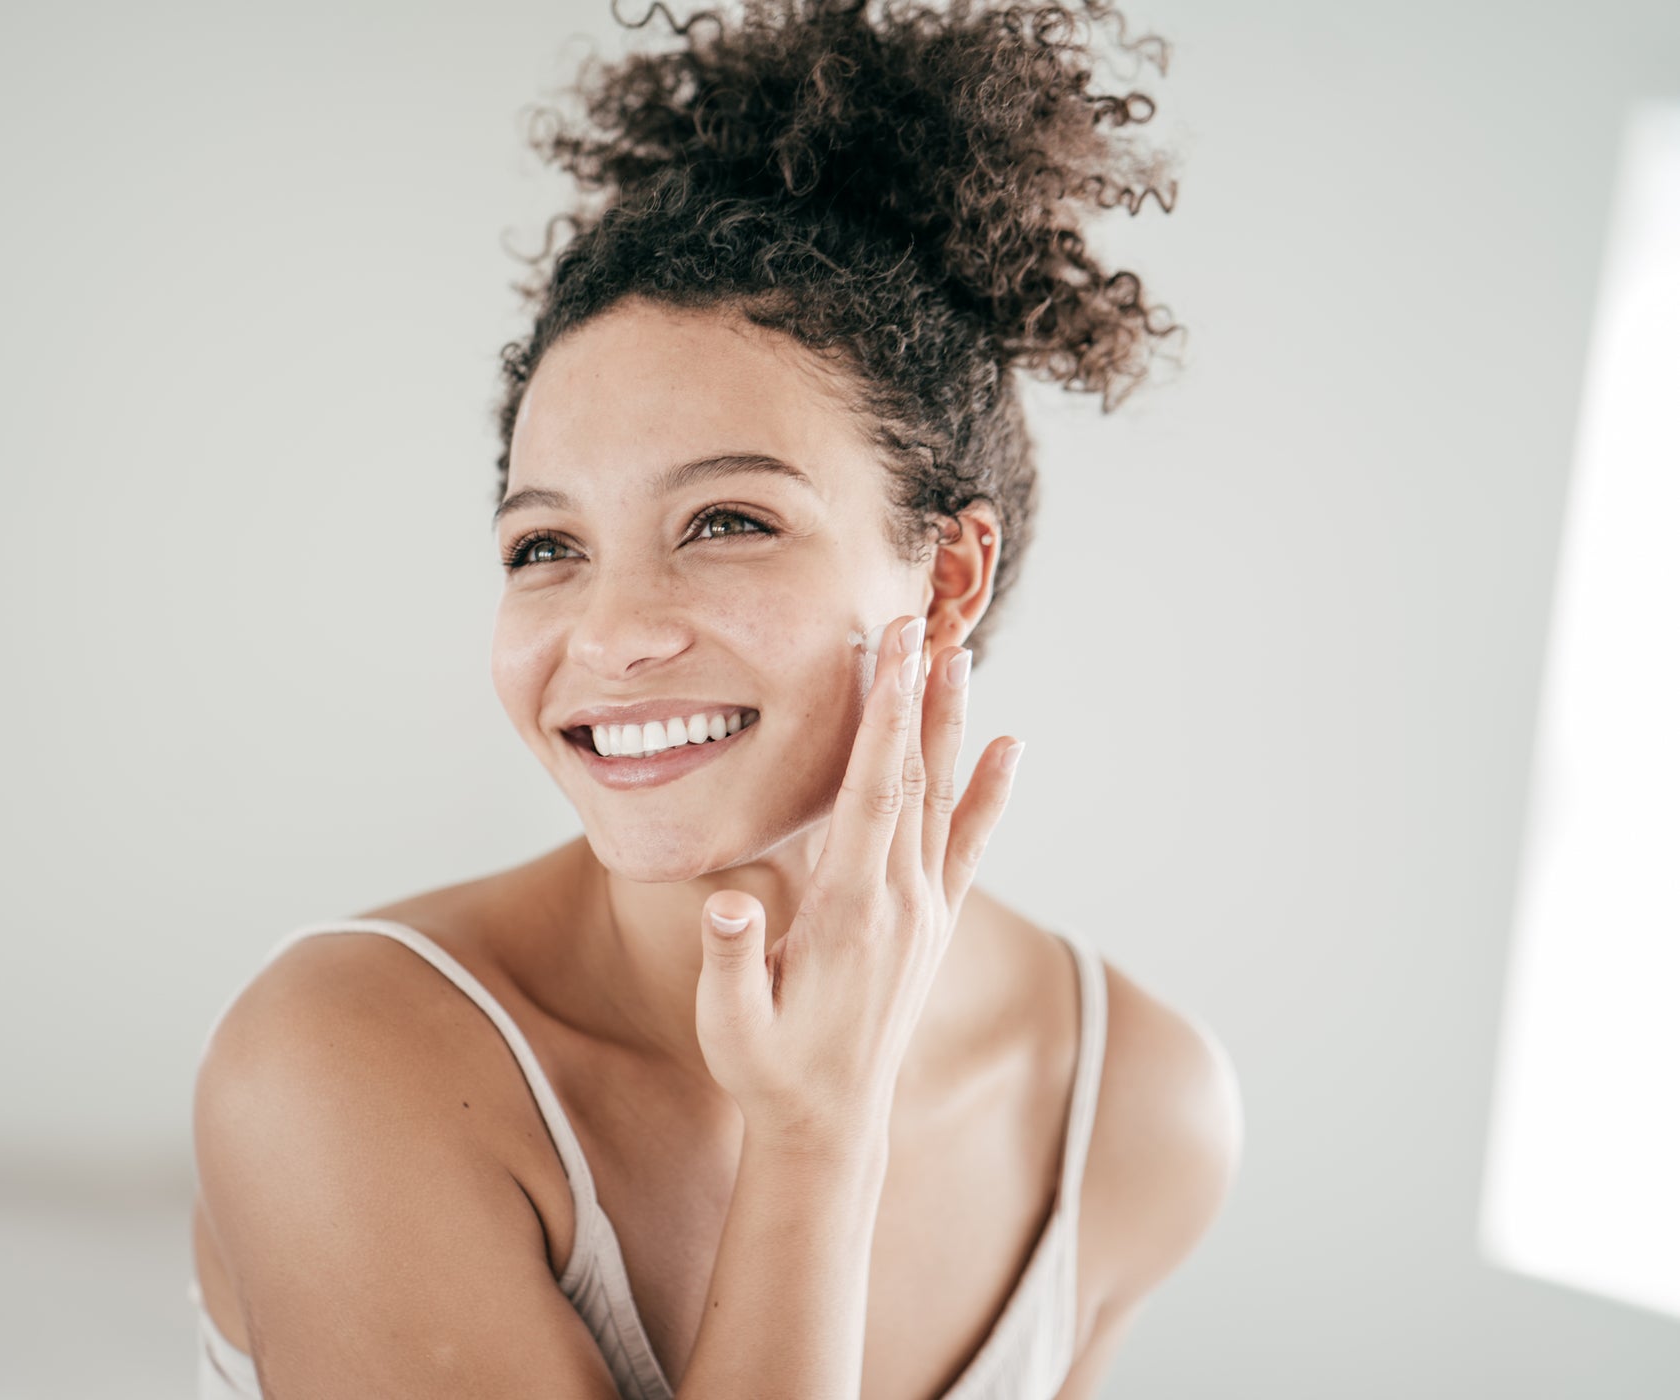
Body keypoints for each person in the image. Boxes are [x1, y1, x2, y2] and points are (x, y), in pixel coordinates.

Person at [189, 1, 1242, 1395]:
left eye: (729, 520)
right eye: (546, 547)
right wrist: (817, 1136)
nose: (610, 634)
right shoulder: (344, 1061)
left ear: (947, 576)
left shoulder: (1135, 1109)